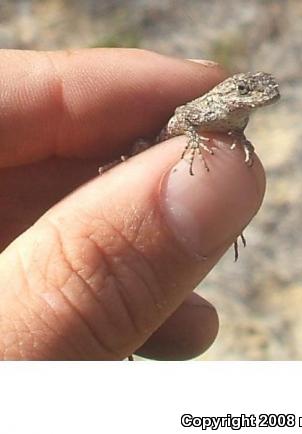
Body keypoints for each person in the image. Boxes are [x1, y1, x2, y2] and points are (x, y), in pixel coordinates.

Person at [0, 48, 265, 360]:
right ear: (233, 92)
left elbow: (235, 126)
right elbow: (182, 114)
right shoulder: (210, 108)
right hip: (160, 145)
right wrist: (193, 140)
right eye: (250, 92)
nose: (260, 98)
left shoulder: (237, 114)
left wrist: (241, 139)